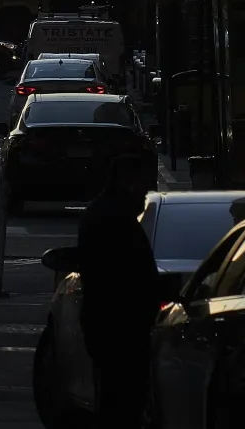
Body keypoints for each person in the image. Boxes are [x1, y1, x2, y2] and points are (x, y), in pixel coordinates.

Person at [78, 154, 160, 424]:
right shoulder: (117, 220)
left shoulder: (104, 214)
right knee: (122, 400)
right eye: (144, 184)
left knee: (115, 398)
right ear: (129, 182)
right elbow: (130, 275)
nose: (147, 191)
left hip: (108, 324)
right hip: (122, 327)